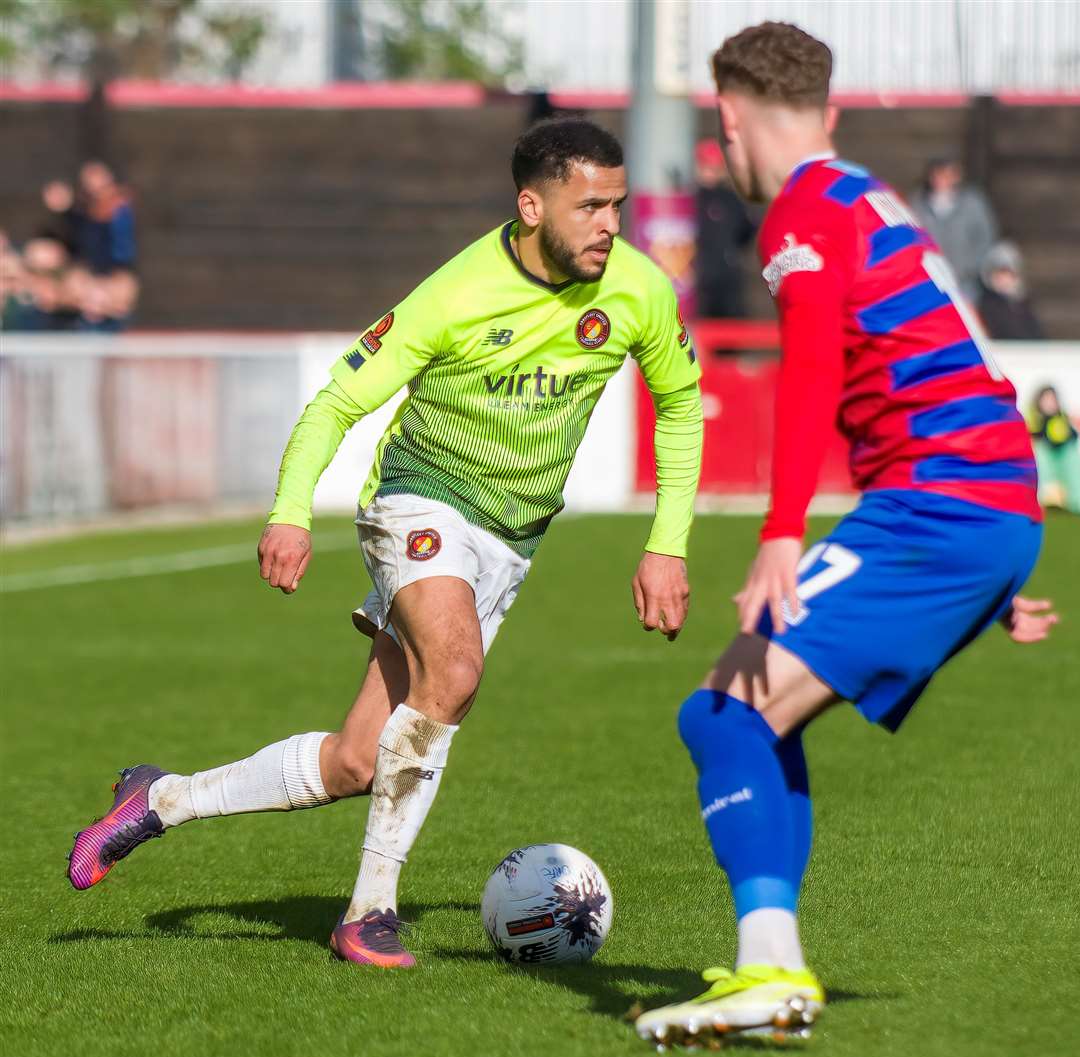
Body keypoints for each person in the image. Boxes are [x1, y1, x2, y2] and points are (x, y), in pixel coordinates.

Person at [67, 118, 705, 968]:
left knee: (355, 763)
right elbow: (336, 401)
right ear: (529, 205)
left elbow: (679, 408)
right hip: (418, 502)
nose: (609, 225)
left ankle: (159, 801)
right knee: (456, 672)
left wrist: (667, 545)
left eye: (616, 206)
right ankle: (368, 912)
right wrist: (289, 511)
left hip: (512, 540)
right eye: (589, 206)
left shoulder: (639, 291)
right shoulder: (454, 293)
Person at [634, 23, 1058, 1046]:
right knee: (748, 714)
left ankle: (770, 969)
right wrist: (994, 566)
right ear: (823, 111)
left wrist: (782, 532)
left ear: (727, 118)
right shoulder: (868, 195)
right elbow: (969, 354)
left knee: (723, 715)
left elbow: (812, 371)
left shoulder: (802, 215)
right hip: (975, 504)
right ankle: (769, 965)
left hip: (940, 507)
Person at [910, 152, 998, 302]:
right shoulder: (918, 204)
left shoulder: (973, 203)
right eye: (938, 174)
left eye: (948, 174)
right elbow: (910, 237)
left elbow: (986, 238)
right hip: (929, 282)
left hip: (965, 284)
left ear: (957, 176)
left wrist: (969, 267)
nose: (942, 179)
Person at [694, 138, 757, 318]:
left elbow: (746, 231)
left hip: (726, 280)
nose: (711, 173)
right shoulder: (691, 198)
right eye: (707, 166)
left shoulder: (731, 199)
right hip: (700, 280)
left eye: (715, 167)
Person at [1027, 385, 1080, 514]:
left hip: (1062, 455)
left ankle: (1074, 503)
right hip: (1046, 456)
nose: (1050, 403)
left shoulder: (1063, 417)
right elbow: (1033, 436)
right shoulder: (1035, 418)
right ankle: (1048, 499)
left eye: (1052, 399)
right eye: (1046, 400)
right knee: (1041, 457)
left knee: (1072, 458)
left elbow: (1073, 436)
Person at [978, 241, 1045, 340]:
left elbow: (1037, 335)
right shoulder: (988, 306)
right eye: (999, 275)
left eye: (1008, 274)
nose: (1004, 280)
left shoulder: (1022, 304)